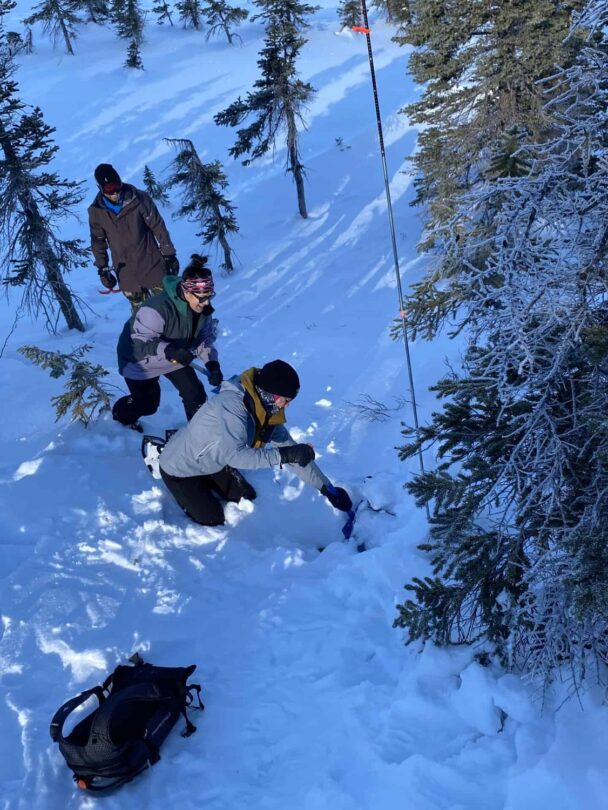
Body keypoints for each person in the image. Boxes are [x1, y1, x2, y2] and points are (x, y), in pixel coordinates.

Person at [158, 359, 353, 527]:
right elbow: (236, 457)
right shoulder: (232, 406)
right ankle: (160, 454)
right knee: (213, 518)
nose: (288, 405)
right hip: (180, 468)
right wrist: (284, 456)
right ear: (271, 393)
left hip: (214, 461)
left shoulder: (266, 410)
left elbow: (290, 450)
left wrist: (326, 488)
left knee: (245, 496)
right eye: (286, 400)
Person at [113, 254, 224, 431]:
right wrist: (170, 350)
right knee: (148, 405)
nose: (207, 302)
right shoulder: (157, 308)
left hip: (174, 357)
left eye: (210, 296)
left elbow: (205, 340)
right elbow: (140, 343)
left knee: (195, 395)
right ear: (187, 292)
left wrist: (212, 364)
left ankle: (199, 435)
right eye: (202, 298)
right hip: (139, 360)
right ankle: (119, 416)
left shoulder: (202, 311)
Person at [88, 163, 180, 311]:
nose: (114, 192)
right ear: (100, 188)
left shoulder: (139, 199)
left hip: (152, 265)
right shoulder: (96, 212)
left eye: (116, 185)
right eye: (109, 188)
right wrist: (103, 269)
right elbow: (98, 242)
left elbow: (158, 227)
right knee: (142, 317)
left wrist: (169, 254)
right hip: (127, 274)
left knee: (168, 309)